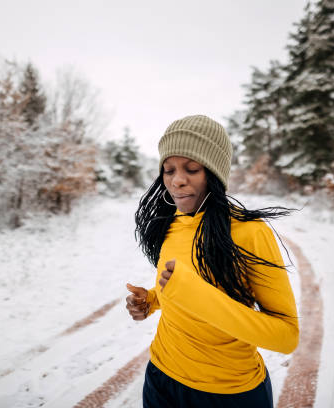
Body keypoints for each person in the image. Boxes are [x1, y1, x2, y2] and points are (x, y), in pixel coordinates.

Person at [126, 115, 299, 408]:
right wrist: (153, 300)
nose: (177, 180)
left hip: (229, 393)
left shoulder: (248, 232)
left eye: (191, 168)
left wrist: (197, 295)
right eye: (168, 170)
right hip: (161, 379)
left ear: (215, 173)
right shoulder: (171, 224)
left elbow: (286, 337)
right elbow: (181, 291)